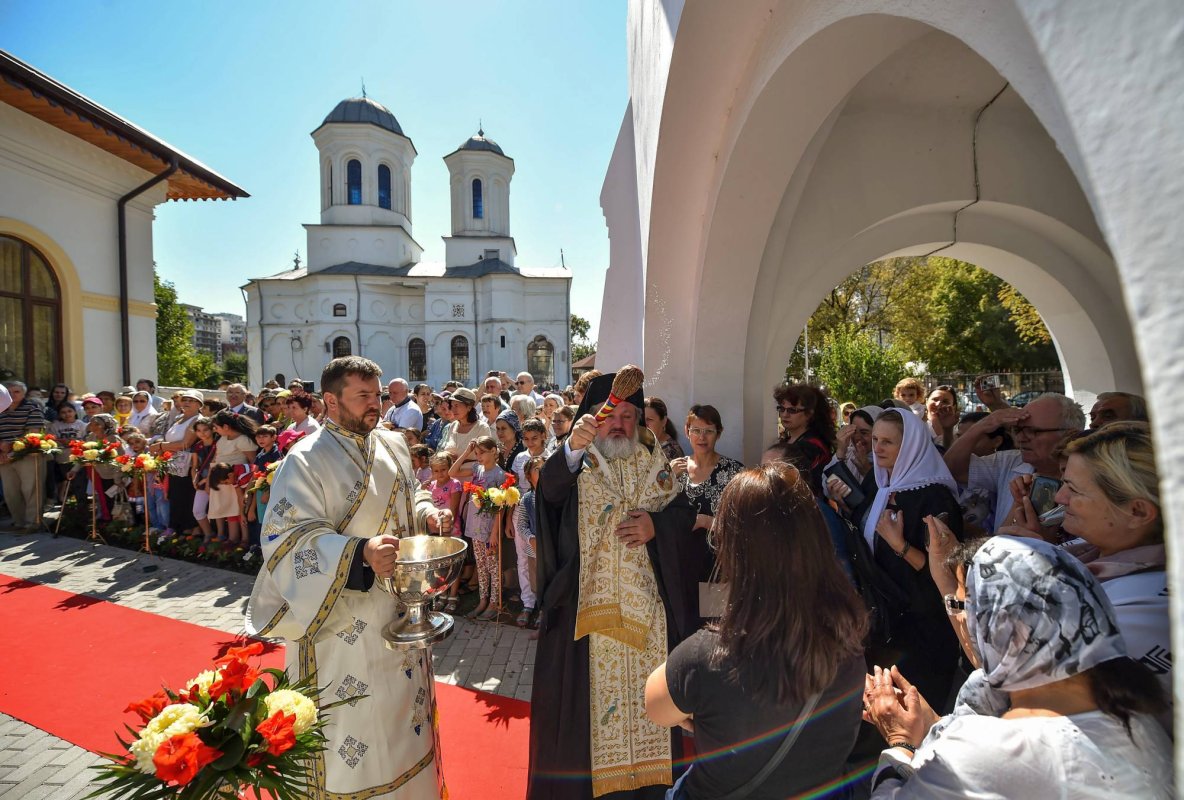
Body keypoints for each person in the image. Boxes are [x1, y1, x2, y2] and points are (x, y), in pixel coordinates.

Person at [245, 356, 451, 800]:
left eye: (377, 395)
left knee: (404, 716)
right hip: (339, 624)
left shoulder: (394, 444)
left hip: (397, 611)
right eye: (363, 396)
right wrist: (358, 552)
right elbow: (286, 538)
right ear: (331, 402)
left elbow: (409, 493)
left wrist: (427, 514)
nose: (374, 405)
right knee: (353, 723)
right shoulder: (304, 459)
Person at [864, 536, 1170, 798]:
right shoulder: (1137, 717)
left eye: (959, 606)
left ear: (1002, 626)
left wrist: (899, 741)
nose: (957, 620)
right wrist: (931, 729)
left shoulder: (989, 749)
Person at [645, 463, 867, 799]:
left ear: (734, 550)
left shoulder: (705, 657)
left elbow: (657, 708)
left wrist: (699, 709)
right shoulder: (848, 638)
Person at [528, 371, 701, 800]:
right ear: (592, 418)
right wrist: (570, 446)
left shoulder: (654, 462)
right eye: (611, 415)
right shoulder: (576, 460)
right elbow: (547, 496)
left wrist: (656, 526)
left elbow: (682, 516)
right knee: (584, 730)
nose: (620, 424)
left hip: (649, 621)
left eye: (629, 415)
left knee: (651, 722)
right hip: (586, 621)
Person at [861, 410, 965, 715]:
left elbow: (947, 568)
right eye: (875, 439)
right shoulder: (879, 484)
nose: (877, 448)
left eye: (888, 442)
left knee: (919, 707)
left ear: (910, 447)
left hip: (923, 624)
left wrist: (899, 544)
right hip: (889, 618)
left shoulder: (934, 498)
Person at [944, 393, 1085, 533]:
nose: (1020, 438)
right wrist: (982, 425)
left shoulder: (1093, 476)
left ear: (1070, 434)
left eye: (1032, 431)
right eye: (1018, 430)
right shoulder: (1008, 462)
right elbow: (951, 469)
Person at [451, 436, 507, 620]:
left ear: (493, 451)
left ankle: (494, 602)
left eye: (482, 452)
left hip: (489, 529)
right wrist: (467, 452)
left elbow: (500, 508)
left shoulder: (500, 475)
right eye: (477, 453)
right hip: (475, 527)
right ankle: (483, 600)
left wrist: (494, 534)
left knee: (493, 567)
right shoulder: (477, 469)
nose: (479, 456)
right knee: (481, 566)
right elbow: (453, 472)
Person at [669, 404, 743, 534]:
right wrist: (667, 477)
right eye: (696, 430)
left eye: (709, 431)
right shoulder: (675, 468)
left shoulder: (734, 471)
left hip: (718, 551)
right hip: (680, 551)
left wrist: (706, 522)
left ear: (718, 433)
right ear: (687, 432)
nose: (702, 437)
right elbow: (659, 511)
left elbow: (744, 522)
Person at [150, 389, 202, 534]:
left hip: (187, 462)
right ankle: (179, 530)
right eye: (184, 399)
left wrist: (161, 446)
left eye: (191, 400)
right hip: (173, 460)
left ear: (199, 404)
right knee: (174, 495)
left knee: (185, 496)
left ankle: (192, 532)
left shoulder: (197, 419)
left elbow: (185, 443)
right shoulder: (179, 418)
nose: (186, 403)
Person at [0, 381, 48, 529]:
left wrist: (13, 450)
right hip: (3, 456)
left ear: (24, 393)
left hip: (28, 454)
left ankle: (33, 523)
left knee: (31, 489)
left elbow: (32, 433)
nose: (13, 395)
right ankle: (18, 522)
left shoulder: (32, 408)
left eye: (17, 392)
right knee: (10, 491)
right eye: (9, 392)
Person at [772, 383, 834, 495]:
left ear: (809, 414)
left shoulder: (812, 446)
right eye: (782, 409)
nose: (785, 415)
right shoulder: (788, 441)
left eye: (792, 410)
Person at [438, 388, 491, 457]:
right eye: (452, 406)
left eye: (457, 405)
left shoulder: (482, 428)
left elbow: (486, 457)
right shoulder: (453, 425)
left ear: (469, 407)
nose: (453, 409)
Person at [643, 397, 684, 461]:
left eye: (649, 419)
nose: (644, 424)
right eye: (641, 419)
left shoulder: (671, 453)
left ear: (664, 421)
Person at [923, 385, 959, 450]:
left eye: (945, 402)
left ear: (954, 406)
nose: (938, 404)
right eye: (935, 399)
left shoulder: (958, 428)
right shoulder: (917, 423)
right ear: (926, 401)